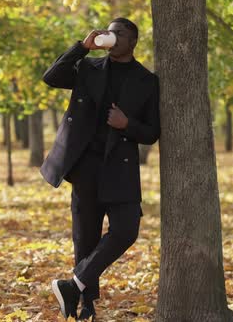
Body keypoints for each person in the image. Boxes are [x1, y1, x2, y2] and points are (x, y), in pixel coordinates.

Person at [40, 17, 160, 320]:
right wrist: (81, 47)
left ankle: (72, 285)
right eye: (110, 31)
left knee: (126, 230)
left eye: (119, 33)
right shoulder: (88, 68)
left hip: (120, 168)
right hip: (84, 167)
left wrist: (127, 124)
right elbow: (52, 77)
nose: (112, 36)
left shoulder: (147, 81)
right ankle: (85, 305)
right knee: (86, 238)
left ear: (133, 42)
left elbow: (151, 133)